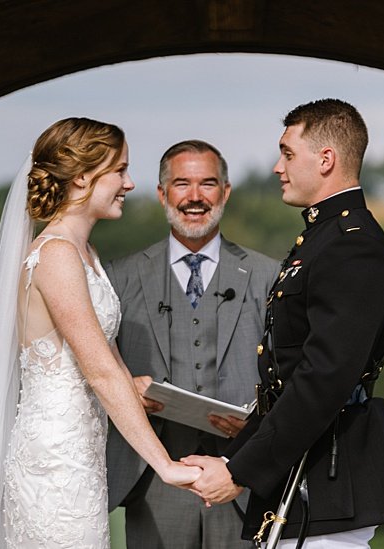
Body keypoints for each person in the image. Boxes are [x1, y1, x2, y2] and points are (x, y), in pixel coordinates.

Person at [0, 118, 200, 549]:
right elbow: (99, 372)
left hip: (81, 456)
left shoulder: (86, 253)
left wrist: (136, 387)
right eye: (119, 170)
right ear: (83, 175)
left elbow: (109, 361)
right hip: (55, 464)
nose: (130, 183)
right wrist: (165, 465)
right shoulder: (57, 255)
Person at [183, 99, 384, 548]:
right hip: (303, 478)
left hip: (329, 481)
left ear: (326, 160)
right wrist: (231, 458)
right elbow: (284, 383)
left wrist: (239, 472)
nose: (276, 167)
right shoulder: (324, 238)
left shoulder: (351, 248)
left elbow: (322, 381)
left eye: (287, 153)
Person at [104, 140, 279, 548]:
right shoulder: (120, 276)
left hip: (244, 485)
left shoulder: (268, 276)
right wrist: (128, 389)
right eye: (182, 184)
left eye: (208, 184)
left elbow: (291, 377)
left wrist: (256, 423)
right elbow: (93, 371)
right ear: (162, 193)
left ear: (226, 192)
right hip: (153, 487)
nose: (195, 197)